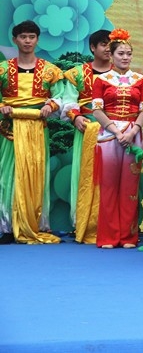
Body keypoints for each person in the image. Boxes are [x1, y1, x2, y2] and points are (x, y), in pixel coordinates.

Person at [0, 20, 64, 244]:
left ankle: (34, 222)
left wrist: (51, 105)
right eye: (23, 37)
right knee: (8, 175)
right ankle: (8, 225)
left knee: (35, 174)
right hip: (9, 130)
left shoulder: (50, 70)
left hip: (37, 129)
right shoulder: (3, 69)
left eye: (31, 37)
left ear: (37, 40)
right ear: (15, 40)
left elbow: (62, 96)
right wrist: (2, 106)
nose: (27, 41)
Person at [91, 28, 143, 249]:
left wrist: (132, 132)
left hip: (133, 134)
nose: (125, 57)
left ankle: (128, 236)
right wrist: (116, 132)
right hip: (109, 135)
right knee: (108, 186)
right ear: (112, 55)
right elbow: (97, 110)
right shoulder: (102, 80)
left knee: (130, 187)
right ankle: (108, 236)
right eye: (121, 54)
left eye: (129, 54)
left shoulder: (140, 80)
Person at [61, 29, 111, 245]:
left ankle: (112, 224)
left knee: (112, 177)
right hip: (87, 131)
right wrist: (76, 117)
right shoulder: (78, 74)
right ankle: (83, 223)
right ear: (92, 47)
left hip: (114, 133)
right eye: (103, 44)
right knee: (86, 176)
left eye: (111, 44)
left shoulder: (122, 75)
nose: (108, 48)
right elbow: (68, 101)